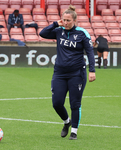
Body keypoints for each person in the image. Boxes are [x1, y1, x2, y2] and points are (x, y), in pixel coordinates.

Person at [39, 5, 96, 140]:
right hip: (59, 73)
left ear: (74, 20)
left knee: (75, 103)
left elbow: (90, 52)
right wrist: (55, 24)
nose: (65, 22)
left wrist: (92, 71)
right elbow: (42, 33)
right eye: (63, 20)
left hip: (77, 74)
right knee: (57, 103)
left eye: (68, 20)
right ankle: (66, 122)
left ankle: (74, 131)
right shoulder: (59, 31)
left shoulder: (82, 33)